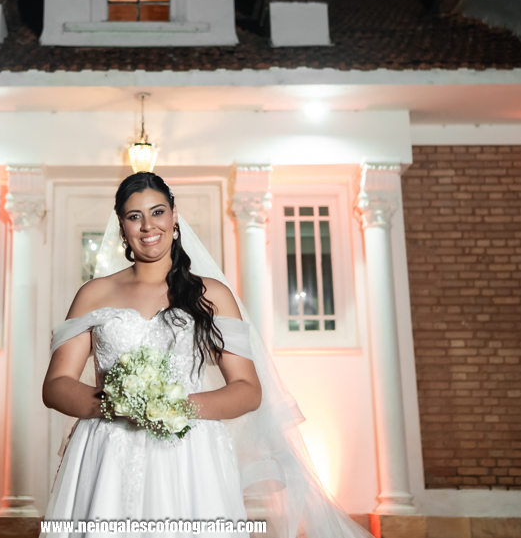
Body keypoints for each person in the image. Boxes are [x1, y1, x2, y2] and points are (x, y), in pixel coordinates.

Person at [42, 172, 375, 538]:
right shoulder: (93, 294)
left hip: (190, 455)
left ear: (174, 216)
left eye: (157, 212)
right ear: (122, 226)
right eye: (135, 216)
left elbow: (248, 389)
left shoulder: (211, 295)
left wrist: (173, 407)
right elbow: (56, 385)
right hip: (108, 452)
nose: (148, 225)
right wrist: (118, 402)